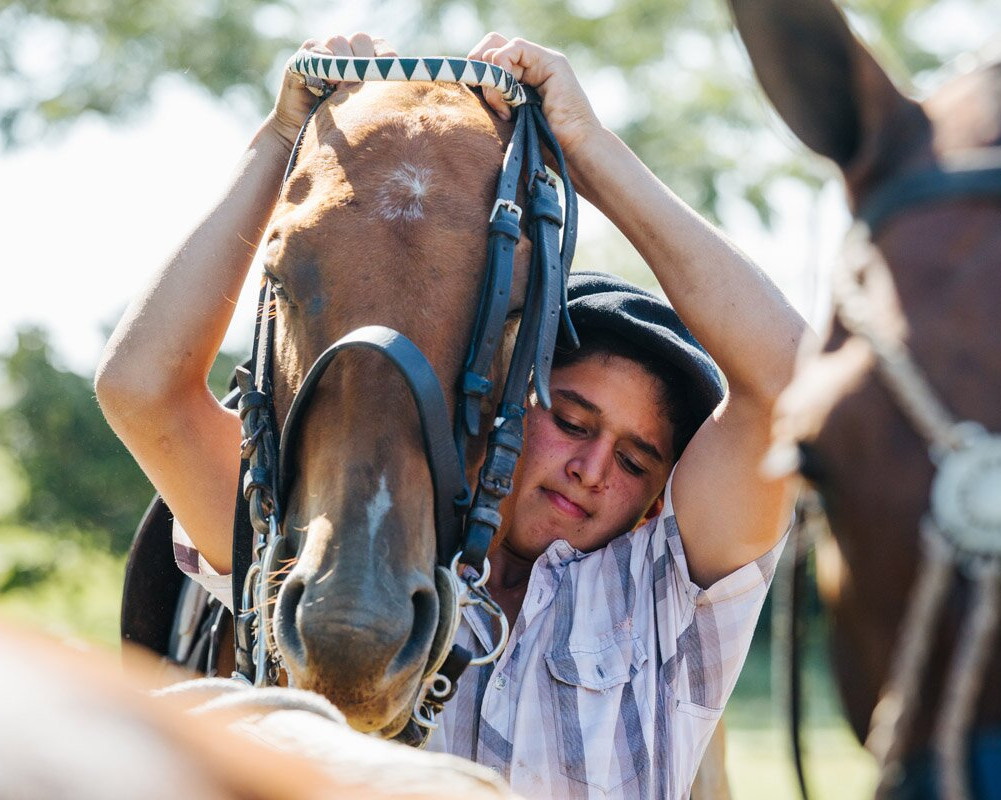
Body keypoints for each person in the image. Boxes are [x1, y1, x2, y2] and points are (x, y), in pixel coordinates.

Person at [96, 31, 809, 800]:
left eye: (636, 461)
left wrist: (586, 148)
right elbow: (142, 387)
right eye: (572, 420)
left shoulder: (669, 601)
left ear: (655, 502)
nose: (593, 468)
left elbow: (790, 380)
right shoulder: (324, 551)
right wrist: (280, 143)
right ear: (513, 397)